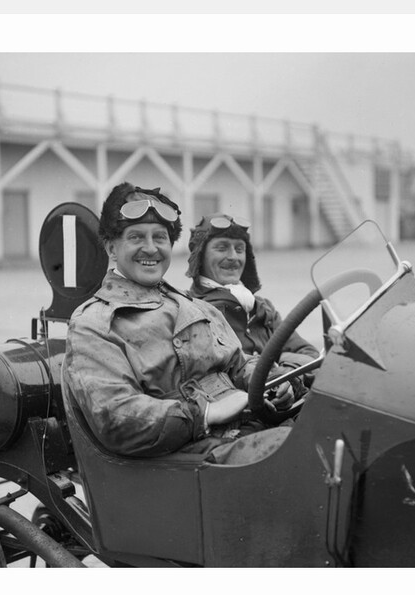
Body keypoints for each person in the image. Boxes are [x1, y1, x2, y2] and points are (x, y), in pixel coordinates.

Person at [63, 182, 293, 465]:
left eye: (160, 238)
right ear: (111, 247)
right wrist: (206, 412)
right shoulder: (94, 324)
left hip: (239, 434)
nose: (151, 249)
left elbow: (239, 363)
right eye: (136, 237)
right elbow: (116, 416)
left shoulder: (197, 306)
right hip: (185, 459)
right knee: (300, 455)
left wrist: (271, 380)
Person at [185, 213, 321, 389]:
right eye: (221, 248)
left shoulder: (262, 307)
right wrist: (283, 369)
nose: (233, 257)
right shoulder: (194, 312)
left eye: (240, 249)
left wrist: (287, 374)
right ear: (200, 256)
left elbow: (309, 353)